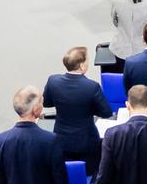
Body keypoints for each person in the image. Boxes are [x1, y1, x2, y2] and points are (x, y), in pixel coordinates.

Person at [46, 46, 114, 176]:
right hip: (87, 143)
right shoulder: (92, 87)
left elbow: (46, 102)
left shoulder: (53, 81)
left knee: (65, 176)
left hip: (61, 140)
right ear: (82, 65)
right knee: (90, 175)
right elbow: (106, 112)